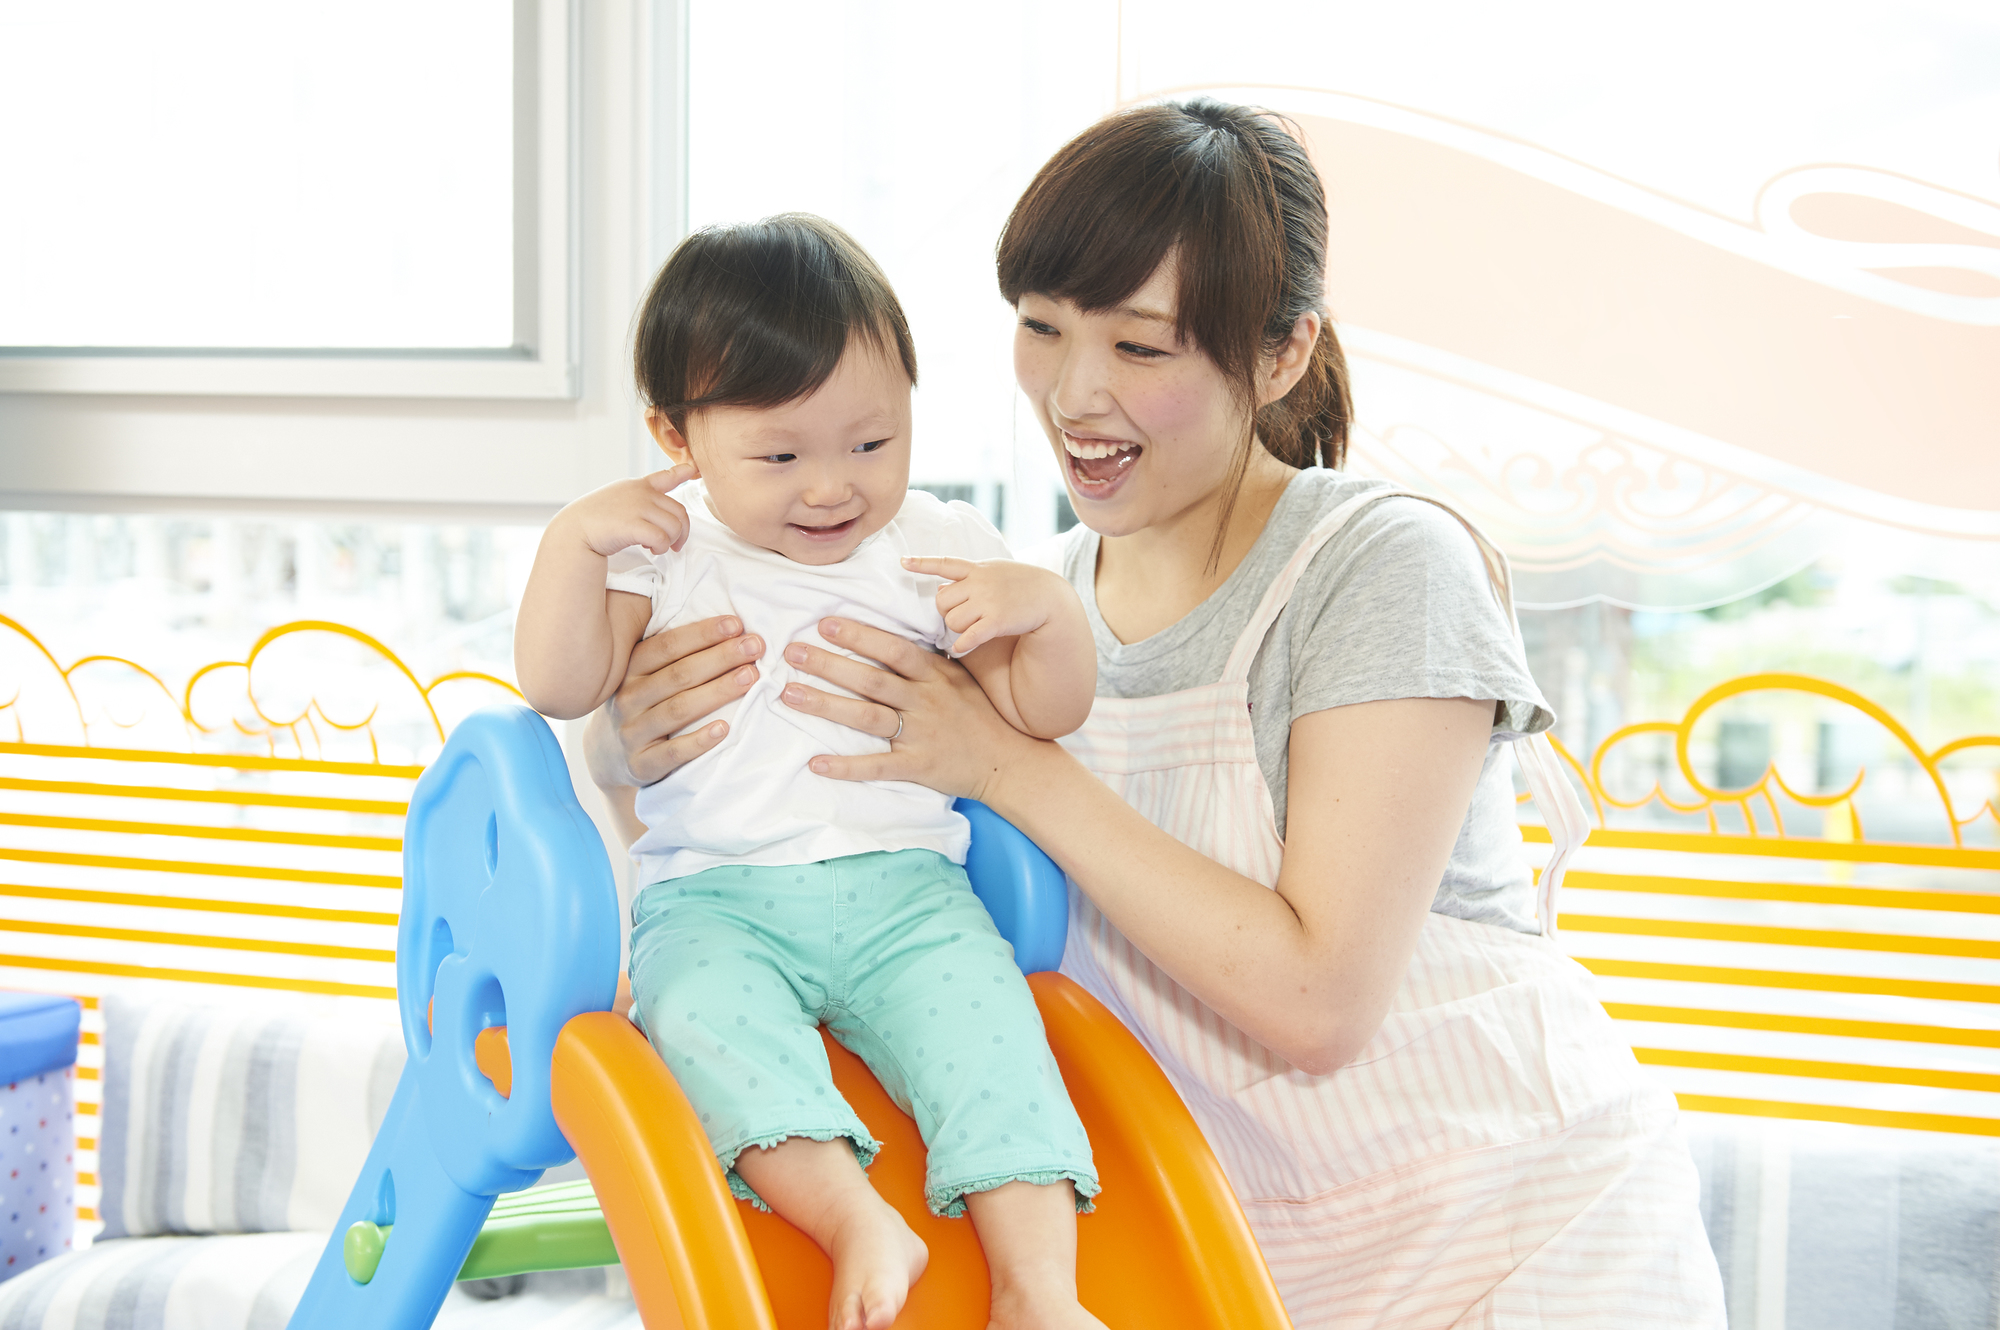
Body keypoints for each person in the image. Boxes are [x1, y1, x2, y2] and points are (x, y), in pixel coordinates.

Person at [586, 102, 1727, 1326]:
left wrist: (1005, 765)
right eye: (1041, 326)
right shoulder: (1022, 602)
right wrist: (625, 741)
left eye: (1140, 346)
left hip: (1520, 1239)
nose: (1074, 392)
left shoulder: (1380, 565)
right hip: (1221, 1257)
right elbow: (810, 866)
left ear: (1280, 354)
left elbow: (1318, 999)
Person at [516, 214, 1105, 1330]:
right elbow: (559, 683)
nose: (833, 487)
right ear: (676, 436)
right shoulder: (662, 550)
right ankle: (854, 1221)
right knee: (700, 1023)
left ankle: (1039, 1291)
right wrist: (570, 546)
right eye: (781, 457)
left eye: (871, 444)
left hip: (910, 892)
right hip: (716, 897)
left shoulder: (934, 542)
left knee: (993, 1044)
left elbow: (1044, 710)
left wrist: (1050, 617)